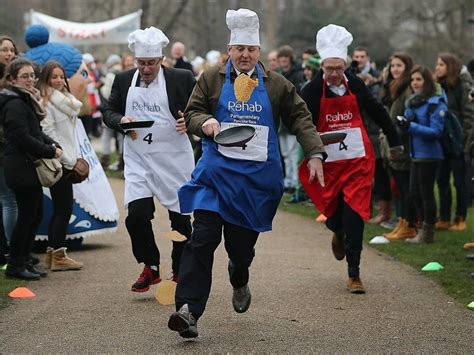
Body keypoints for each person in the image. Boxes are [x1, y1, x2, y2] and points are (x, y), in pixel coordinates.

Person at [167, 8, 325, 338]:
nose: (245, 55)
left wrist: (315, 152)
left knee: (240, 251)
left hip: (253, 185)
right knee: (202, 240)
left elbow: (301, 119)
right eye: (239, 49)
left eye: (251, 49)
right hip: (215, 177)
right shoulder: (210, 78)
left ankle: (239, 277)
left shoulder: (278, 85)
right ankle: (188, 311)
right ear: (230, 50)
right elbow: (193, 111)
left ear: (258, 52)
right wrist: (204, 122)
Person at [300, 24, 400, 294]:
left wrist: (395, 139)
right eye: (329, 69)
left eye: (338, 69)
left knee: (355, 215)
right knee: (335, 216)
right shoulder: (311, 90)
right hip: (328, 165)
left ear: (345, 66)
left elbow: (377, 111)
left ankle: (354, 273)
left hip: (357, 162)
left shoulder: (355, 84)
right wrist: (310, 152)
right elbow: (299, 122)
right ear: (322, 67)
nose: (333, 75)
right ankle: (336, 230)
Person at [103, 27, 196, 292]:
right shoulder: (123, 80)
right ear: (135, 61)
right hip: (139, 158)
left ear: (161, 60)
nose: (146, 69)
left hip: (174, 157)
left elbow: (201, 108)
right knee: (136, 216)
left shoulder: (182, 77)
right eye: (142, 63)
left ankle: (180, 269)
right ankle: (151, 266)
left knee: (180, 219)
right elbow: (108, 111)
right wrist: (121, 120)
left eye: (151, 63)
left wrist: (188, 120)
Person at [0, 58, 63, 279]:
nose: (30, 80)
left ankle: (24, 259)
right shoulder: (14, 103)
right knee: (27, 216)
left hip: (27, 166)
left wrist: (51, 144)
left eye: (32, 76)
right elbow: (22, 138)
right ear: (12, 79)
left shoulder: (24, 99)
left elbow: (34, 131)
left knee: (34, 215)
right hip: (20, 167)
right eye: (25, 76)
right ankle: (16, 265)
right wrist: (48, 151)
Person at [37, 60, 84, 271]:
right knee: (63, 209)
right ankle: (58, 254)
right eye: (53, 77)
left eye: (60, 76)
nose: (58, 81)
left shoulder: (66, 100)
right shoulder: (46, 103)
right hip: (59, 162)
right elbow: (49, 135)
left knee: (62, 208)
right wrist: (67, 160)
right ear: (46, 80)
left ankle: (52, 254)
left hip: (67, 159)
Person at [402, 66, 446, 243]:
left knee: (425, 193)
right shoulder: (413, 102)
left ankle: (428, 232)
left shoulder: (435, 103)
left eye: (418, 79)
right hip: (416, 153)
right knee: (414, 192)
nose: (414, 83)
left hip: (430, 155)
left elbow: (436, 132)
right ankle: (423, 228)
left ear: (427, 82)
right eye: (412, 80)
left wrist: (411, 126)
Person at [379, 53, 418, 240]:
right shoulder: (393, 88)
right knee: (399, 188)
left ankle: (409, 224)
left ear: (407, 68)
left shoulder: (406, 91)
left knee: (406, 187)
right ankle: (402, 221)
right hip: (392, 144)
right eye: (392, 65)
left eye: (399, 65)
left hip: (403, 146)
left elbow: (405, 120)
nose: (395, 69)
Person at [434, 53, 474, 232]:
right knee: (442, 180)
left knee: (460, 182)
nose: (437, 68)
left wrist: (464, 143)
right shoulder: (440, 86)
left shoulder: (463, 85)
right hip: (442, 142)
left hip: (458, 142)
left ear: (450, 66)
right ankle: (444, 217)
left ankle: (460, 218)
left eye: (441, 64)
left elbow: (469, 116)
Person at [0, 35, 19, 265]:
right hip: (5, 148)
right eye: (4, 50)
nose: (9, 53)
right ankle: (13, 252)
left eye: (12, 50)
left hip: (13, 147)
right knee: (9, 199)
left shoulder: (13, 80)